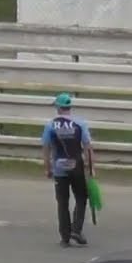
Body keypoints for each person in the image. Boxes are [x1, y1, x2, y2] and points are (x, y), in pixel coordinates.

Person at [41, 93, 95, 248]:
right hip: (77, 166)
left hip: (59, 168)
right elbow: (88, 147)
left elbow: (46, 148)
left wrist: (47, 168)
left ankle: (65, 237)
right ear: (69, 107)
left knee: (62, 202)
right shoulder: (80, 124)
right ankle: (76, 229)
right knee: (81, 197)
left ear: (58, 107)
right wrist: (91, 167)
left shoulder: (50, 125)